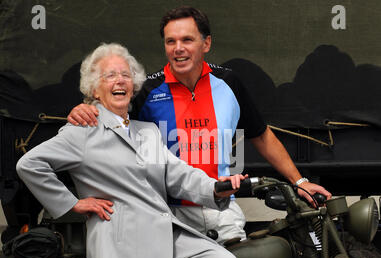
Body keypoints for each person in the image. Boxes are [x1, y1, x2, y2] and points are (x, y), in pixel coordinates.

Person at [66, 6, 332, 245]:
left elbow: (260, 135)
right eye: (171, 41)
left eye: (187, 40)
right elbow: (112, 122)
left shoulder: (229, 82)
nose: (178, 48)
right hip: (169, 215)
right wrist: (87, 107)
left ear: (206, 43)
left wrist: (300, 181)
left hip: (223, 210)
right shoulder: (146, 89)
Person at [16, 43, 245, 258]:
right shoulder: (81, 131)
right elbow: (30, 164)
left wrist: (216, 188)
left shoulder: (146, 131)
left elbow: (178, 175)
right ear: (94, 89)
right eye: (110, 75)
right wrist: (73, 204)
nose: (120, 81)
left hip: (166, 234)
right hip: (126, 246)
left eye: (125, 75)